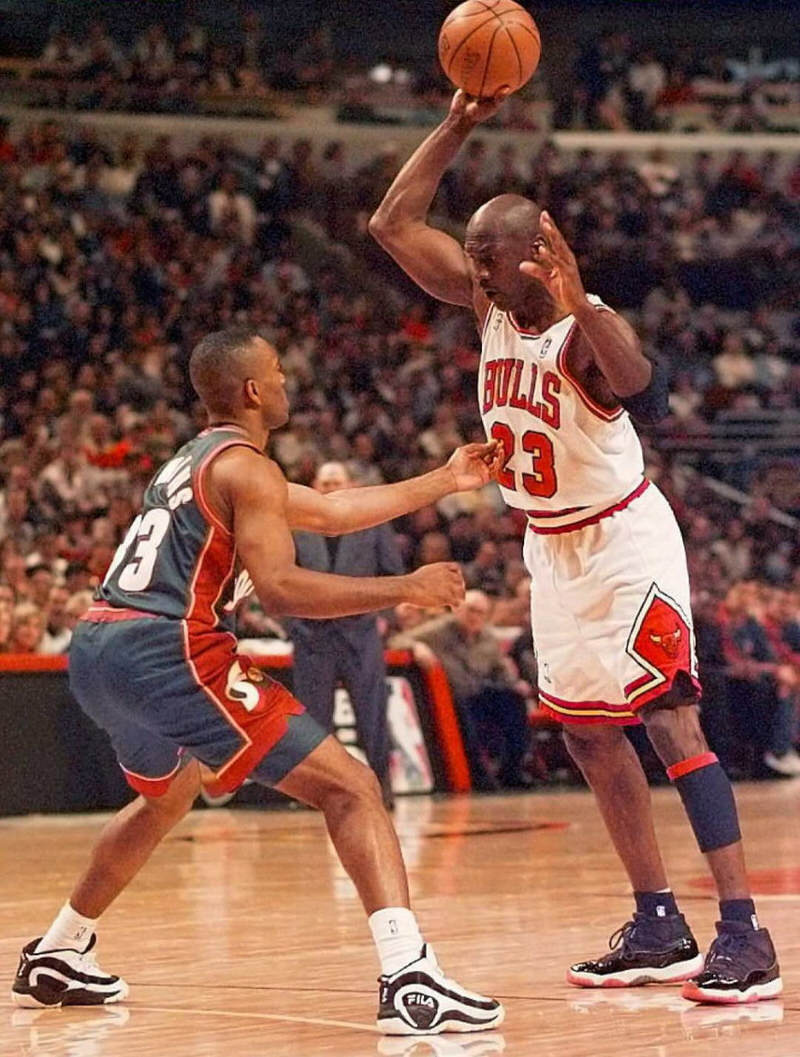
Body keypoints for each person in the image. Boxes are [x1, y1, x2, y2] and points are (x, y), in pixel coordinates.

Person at [369, 91, 781, 1005]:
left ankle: (746, 933)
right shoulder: (487, 301)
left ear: (535, 254)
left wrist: (582, 296)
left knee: (671, 722)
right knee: (592, 738)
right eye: (469, 254)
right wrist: (458, 124)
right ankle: (656, 921)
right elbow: (392, 221)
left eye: (486, 254)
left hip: (626, 542)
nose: (471, 267)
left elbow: (641, 383)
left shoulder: (581, 324)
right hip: (550, 549)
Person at [12, 327, 504, 1037]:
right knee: (353, 786)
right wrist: (405, 586)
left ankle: (57, 949)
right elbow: (282, 589)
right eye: (276, 371)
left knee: (166, 796)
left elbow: (333, 511)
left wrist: (446, 479)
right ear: (252, 390)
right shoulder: (247, 469)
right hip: (169, 648)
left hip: (98, 649)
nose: (285, 381)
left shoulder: (194, 462)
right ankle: (410, 976)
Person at [290, 461, 403, 801]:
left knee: (372, 715)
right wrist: (292, 622)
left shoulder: (373, 523)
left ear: (351, 485)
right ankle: (316, 793)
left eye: (336, 481)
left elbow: (392, 572)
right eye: (324, 483)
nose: (330, 488)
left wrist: (383, 617)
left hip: (361, 634)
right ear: (314, 486)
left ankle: (383, 785)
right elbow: (274, 576)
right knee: (313, 720)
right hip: (312, 636)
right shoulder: (294, 526)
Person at [391, 590, 531, 790]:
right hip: (453, 698)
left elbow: (499, 670)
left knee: (514, 701)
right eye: (471, 610)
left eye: (481, 613)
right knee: (466, 708)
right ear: (458, 610)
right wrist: (416, 647)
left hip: (483, 693)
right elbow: (397, 641)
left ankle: (512, 771)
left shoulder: (488, 637)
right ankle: (481, 777)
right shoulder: (438, 631)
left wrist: (515, 684)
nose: (475, 617)